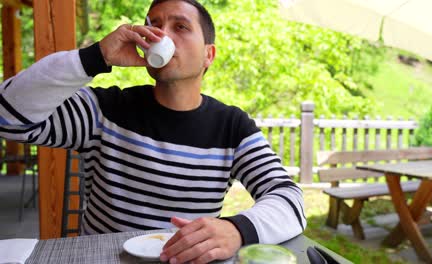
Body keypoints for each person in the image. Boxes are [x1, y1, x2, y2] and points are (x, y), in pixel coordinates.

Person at [0, 0, 306, 263]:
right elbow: (7, 119)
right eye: (154, 24)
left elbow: (290, 199)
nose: (161, 34)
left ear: (208, 55)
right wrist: (96, 57)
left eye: (181, 27)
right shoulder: (103, 110)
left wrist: (238, 228)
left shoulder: (232, 127)